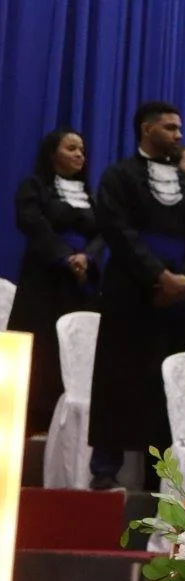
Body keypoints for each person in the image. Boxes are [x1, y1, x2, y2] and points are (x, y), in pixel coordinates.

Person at [88, 101, 185, 491]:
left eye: (179, 129)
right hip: (131, 295)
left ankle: (157, 476)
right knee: (118, 379)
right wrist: (157, 276)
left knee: (166, 389)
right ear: (146, 130)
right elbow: (117, 230)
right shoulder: (119, 176)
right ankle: (104, 470)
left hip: (179, 303)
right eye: (170, 128)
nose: (179, 135)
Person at [11, 128, 104, 434]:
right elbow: (32, 224)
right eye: (71, 148)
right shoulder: (34, 187)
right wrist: (65, 256)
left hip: (80, 283)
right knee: (43, 348)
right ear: (53, 154)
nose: (80, 155)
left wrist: (86, 258)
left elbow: (103, 233)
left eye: (82, 150)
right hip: (44, 279)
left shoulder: (89, 195)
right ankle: (32, 420)